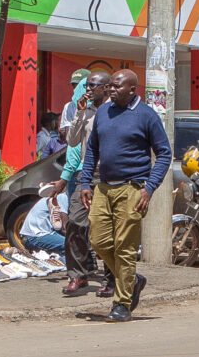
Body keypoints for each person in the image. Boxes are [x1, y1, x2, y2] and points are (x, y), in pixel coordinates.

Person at [76, 68, 171, 319]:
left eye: (117, 86)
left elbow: (164, 154)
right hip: (103, 188)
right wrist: (86, 182)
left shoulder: (147, 115)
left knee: (124, 248)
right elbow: (92, 151)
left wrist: (149, 189)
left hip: (133, 188)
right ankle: (131, 279)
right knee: (98, 241)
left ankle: (122, 304)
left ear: (132, 89)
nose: (111, 89)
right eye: (111, 86)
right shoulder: (104, 112)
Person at [58, 71, 113, 297]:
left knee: (109, 230)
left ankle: (111, 279)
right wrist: (80, 113)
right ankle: (77, 275)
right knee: (75, 224)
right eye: (87, 86)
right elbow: (72, 140)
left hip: (110, 175)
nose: (88, 90)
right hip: (86, 176)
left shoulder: (114, 110)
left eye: (93, 86)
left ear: (107, 88)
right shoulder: (84, 110)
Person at [19, 179, 69, 255]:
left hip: (29, 236)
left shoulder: (51, 198)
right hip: (35, 237)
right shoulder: (63, 197)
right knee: (70, 246)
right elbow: (64, 229)